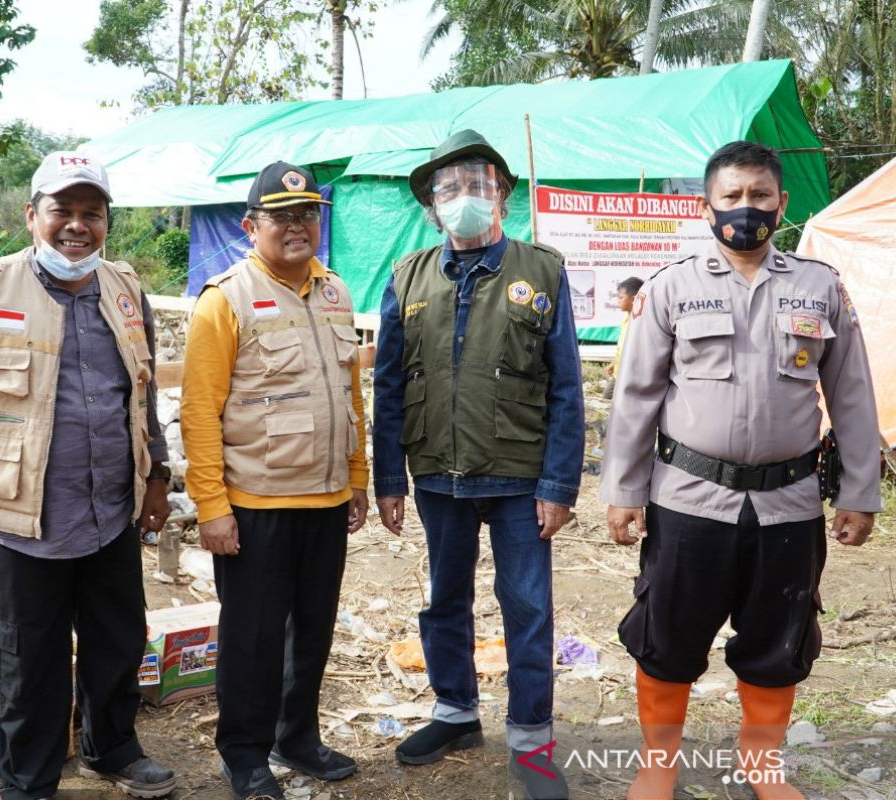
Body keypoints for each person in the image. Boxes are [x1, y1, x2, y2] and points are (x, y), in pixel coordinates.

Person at [600, 141, 881, 800]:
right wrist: (624, 492)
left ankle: (762, 768)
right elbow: (636, 397)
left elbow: (852, 395)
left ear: (782, 204)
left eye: (759, 196)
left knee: (779, 641)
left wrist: (861, 493)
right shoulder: (672, 287)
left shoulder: (819, 286)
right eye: (731, 197)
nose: (745, 209)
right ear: (707, 207)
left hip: (789, 503)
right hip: (688, 500)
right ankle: (658, 767)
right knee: (667, 635)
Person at [0, 152, 178, 800]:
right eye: (63, 210)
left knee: (118, 641)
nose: (77, 226)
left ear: (106, 221)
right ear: (33, 215)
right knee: (28, 663)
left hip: (110, 510)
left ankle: (110, 747)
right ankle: (28, 780)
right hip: (22, 519)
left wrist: (156, 479)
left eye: (93, 213)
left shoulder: (123, 289)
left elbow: (141, 396)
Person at [372, 130, 586, 800]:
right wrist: (387, 480)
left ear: (501, 195)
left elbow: (566, 387)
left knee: (526, 607)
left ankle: (532, 741)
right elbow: (386, 385)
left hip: (521, 479)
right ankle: (455, 713)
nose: (466, 196)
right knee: (444, 602)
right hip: (437, 473)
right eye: (451, 187)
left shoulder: (541, 271)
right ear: (432, 206)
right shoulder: (407, 276)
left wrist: (559, 484)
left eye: (479, 184)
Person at [180, 161, 369, 800]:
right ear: (250, 225)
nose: (297, 226)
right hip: (255, 500)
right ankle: (244, 752)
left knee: (312, 627)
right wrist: (211, 506)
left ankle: (298, 737)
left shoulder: (336, 292)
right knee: (254, 637)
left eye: (308, 213)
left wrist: (358, 475)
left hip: (326, 498)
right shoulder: (224, 300)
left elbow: (350, 393)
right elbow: (199, 410)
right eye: (282, 216)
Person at [603, 276, 645, 400]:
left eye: (621, 298)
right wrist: (613, 364)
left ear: (633, 299)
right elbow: (622, 348)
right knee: (608, 396)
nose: (618, 301)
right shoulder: (626, 319)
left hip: (629, 374)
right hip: (619, 372)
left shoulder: (640, 322)